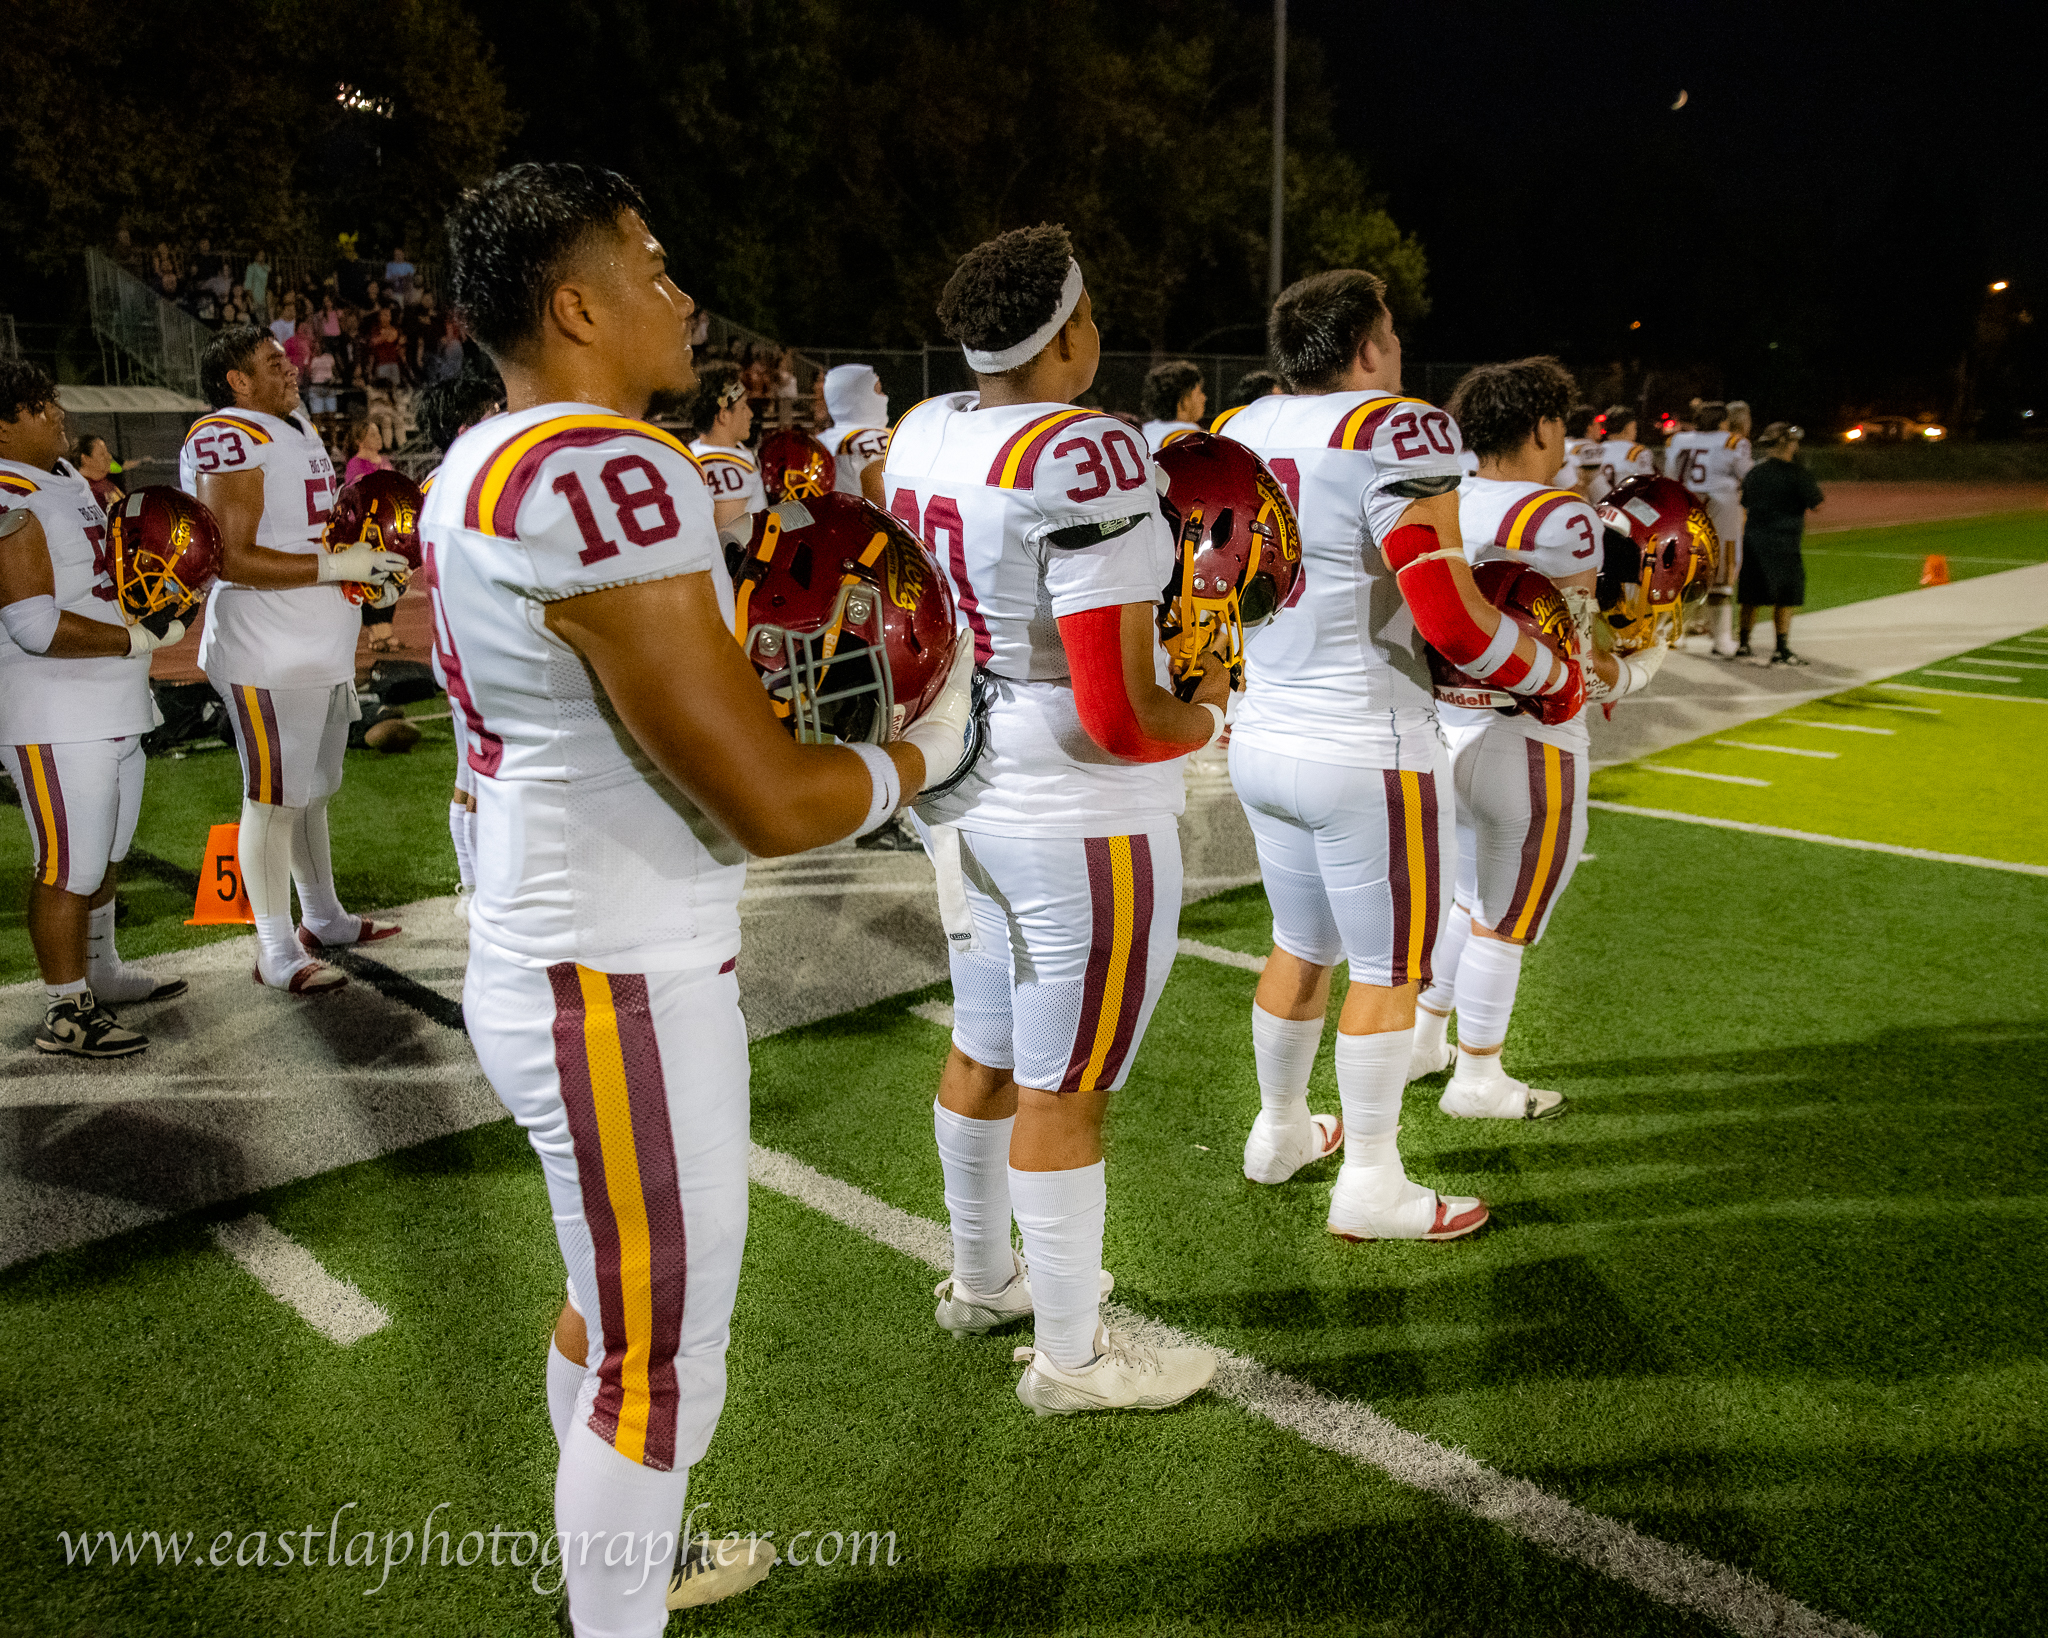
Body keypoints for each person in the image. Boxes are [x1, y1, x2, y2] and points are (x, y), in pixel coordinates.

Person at [428, 161, 972, 1635]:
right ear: (574, 306)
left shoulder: (486, 454)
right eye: (654, 266)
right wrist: (930, 750)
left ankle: (620, 1576)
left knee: (611, 1304)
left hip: (561, 943)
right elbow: (770, 803)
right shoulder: (604, 471)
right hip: (614, 973)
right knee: (661, 1364)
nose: (684, 296)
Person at [885, 223, 1227, 1415]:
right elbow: (1120, 714)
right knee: (1065, 1088)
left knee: (987, 1046)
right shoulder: (1084, 452)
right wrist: (1207, 713)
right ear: (1069, 329)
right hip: (1074, 804)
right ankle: (1073, 1361)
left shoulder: (926, 429)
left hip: (961, 782)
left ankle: (983, 1280)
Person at [1215, 275, 1577, 1242]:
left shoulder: (1241, 425)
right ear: (1368, 348)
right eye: (1393, 334)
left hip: (1264, 730)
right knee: (1388, 970)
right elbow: (1450, 616)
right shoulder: (1396, 428)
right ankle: (1372, 1182)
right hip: (1365, 744)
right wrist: (1548, 672)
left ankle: (1279, 1131)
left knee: (1300, 944)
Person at [1412, 358, 1666, 1112]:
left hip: (1447, 724)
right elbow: (1577, 655)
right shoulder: (1559, 516)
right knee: (1507, 919)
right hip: (1530, 736)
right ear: (1542, 425)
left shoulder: (1447, 495)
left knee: (1468, 900)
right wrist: (1642, 666)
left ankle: (1425, 1041)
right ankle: (1478, 1076)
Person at [178, 326, 407, 995]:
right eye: (272, 364)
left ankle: (323, 917)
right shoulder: (228, 434)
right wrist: (337, 566)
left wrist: (366, 566)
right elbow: (230, 556)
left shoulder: (294, 425)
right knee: (273, 798)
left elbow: (309, 532)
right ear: (237, 380)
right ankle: (274, 949)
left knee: (314, 790)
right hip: (268, 649)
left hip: (317, 642)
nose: (291, 370)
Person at [1, 361, 191, 1056]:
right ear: (3, 426)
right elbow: (35, 625)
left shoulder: (61, 478)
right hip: (53, 711)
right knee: (67, 865)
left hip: (110, 700)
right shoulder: (9, 492)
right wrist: (137, 637)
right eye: (38, 406)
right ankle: (65, 1010)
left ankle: (101, 971)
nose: (57, 413)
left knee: (105, 851)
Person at [413, 343, 506, 898]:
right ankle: (474, 887)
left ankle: (478, 886)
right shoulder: (465, 480)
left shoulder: (437, 482)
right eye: (494, 411)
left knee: (474, 772)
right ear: (468, 426)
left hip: (462, 642)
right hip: (473, 645)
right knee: (476, 775)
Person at [1664, 401, 1754, 657]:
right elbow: (1748, 477)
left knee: (1683, 570)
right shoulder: (1733, 442)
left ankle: (1676, 633)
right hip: (1720, 511)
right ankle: (1722, 638)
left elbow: (1671, 475)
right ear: (1723, 422)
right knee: (1722, 572)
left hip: (1686, 509)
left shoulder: (1677, 440)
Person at [1738, 422, 1822, 664]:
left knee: (1751, 595)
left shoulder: (1755, 472)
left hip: (1754, 540)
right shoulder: (1797, 473)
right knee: (1786, 595)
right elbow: (1816, 504)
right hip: (1785, 541)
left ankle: (1743, 644)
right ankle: (1781, 648)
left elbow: (1745, 501)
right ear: (1788, 443)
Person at [685, 362, 763, 532]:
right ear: (724, 415)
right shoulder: (723, 466)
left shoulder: (694, 451)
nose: (750, 414)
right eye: (743, 407)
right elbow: (730, 540)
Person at [821, 362, 891, 497]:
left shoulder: (821, 441)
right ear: (862, 397)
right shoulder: (882, 439)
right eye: (878, 391)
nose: (884, 397)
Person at [1592, 403, 1653, 503]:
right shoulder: (1637, 452)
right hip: (1626, 506)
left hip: (1598, 506)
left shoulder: (1595, 450)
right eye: (1634, 428)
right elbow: (1648, 484)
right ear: (1629, 427)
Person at [1140, 359, 1206, 450]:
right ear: (1184, 400)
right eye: (1199, 393)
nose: (1204, 398)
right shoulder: (1194, 440)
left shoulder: (1140, 432)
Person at [1552, 403, 1602, 495]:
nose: (1600, 427)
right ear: (1589, 427)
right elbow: (1597, 489)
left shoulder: (1562, 444)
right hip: (1582, 498)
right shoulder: (1589, 448)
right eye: (1597, 423)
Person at [73, 433, 124, 511]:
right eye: (102, 454)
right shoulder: (82, 491)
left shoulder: (109, 484)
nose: (109, 456)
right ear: (86, 459)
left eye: (107, 452)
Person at [243, 251, 271, 323]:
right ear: (256, 256)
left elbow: (270, 283)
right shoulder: (251, 268)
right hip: (256, 299)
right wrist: (252, 301)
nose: (262, 257)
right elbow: (248, 286)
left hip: (266, 300)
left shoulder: (267, 268)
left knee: (267, 321)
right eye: (259, 255)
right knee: (258, 321)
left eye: (263, 255)